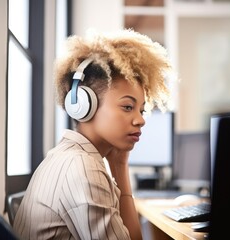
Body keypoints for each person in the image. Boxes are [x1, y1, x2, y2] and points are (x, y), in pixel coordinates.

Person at [13, 28, 174, 240]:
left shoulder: (68, 156)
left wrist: (119, 165)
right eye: (127, 107)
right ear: (83, 105)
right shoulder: (83, 169)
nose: (141, 119)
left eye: (142, 110)